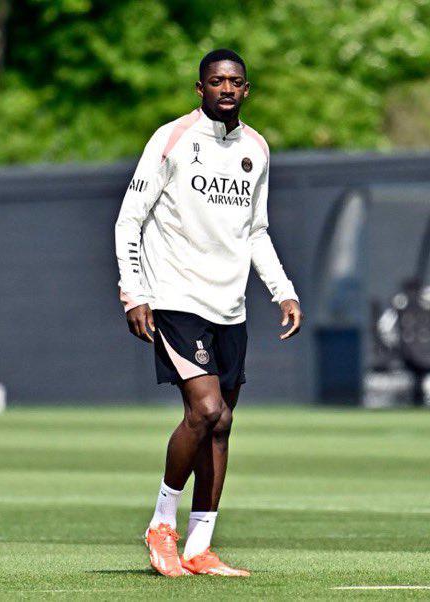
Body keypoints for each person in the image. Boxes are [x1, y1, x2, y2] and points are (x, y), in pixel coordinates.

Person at [114, 48, 303, 577]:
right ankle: (161, 525)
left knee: (222, 422)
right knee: (204, 410)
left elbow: (256, 231)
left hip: (230, 305)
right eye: (216, 81)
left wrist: (283, 291)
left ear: (246, 90)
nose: (226, 88)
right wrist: (135, 291)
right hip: (176, 298)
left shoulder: (257, 149)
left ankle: (199, 548)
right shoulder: (172, 138)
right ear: (200, 89)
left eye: (235, 82)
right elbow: (130, 220)